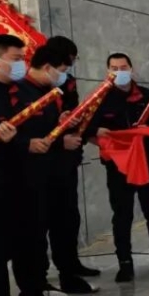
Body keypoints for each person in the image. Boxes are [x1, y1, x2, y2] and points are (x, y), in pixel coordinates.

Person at [84, 53, 149, 283]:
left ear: (131, 68)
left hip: (148, 162)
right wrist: (96, 131)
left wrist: (145, 128)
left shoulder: (148, 96)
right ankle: (125, 263)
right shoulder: (99, 99)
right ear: (108, 71)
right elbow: (85, 127)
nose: (119, 72)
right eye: (114, 68)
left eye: (123, 67)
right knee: (122, 214)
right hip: (118, 165)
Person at [5, 45, 77, 296]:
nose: (63, 76)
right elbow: (15, 133)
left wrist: (62, 123)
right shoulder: (16, 91)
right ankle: (31, 295)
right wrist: (33, 144)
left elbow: (47, 130)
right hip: (25, 175)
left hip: (48, 173)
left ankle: (39, 288)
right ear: (47, 67)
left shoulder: (47, 92)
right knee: (28, 237)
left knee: (44, 232)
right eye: (61, 70)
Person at [45, 36, 101, 279]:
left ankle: (70, 263)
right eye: (68, 61)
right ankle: (43, 276)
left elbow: (76, 111)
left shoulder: (67, 81)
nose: (69, 67)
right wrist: (60, 140)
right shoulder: (29, 87)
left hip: (67, 159)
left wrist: (85, 129)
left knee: (69, 216)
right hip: (45, 162)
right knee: (46, 219)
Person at [0, 34, 29, 296]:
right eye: (16, 59)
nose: (21, 65)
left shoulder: (14, 91)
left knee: (10, 242)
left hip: (13, 177)